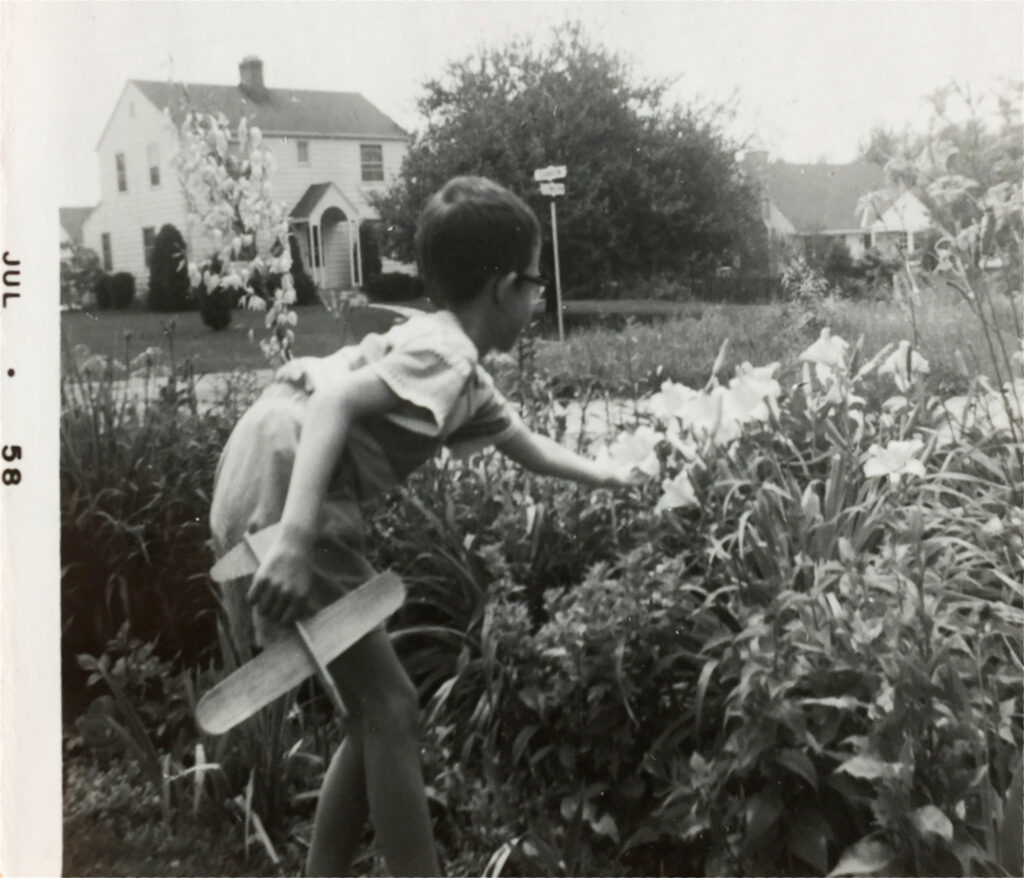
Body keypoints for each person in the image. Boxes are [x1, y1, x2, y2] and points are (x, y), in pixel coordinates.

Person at [209, 175, 641, 876]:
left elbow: (526, 446)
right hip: (292, 472)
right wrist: (293, 536)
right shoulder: (448, 357)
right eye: (536, 284)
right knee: (393, 704)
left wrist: (607, 474)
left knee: (371, 711)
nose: (539, 300)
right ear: (505, 287)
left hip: (266, 454)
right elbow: (334, 404)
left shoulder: (454, 368)